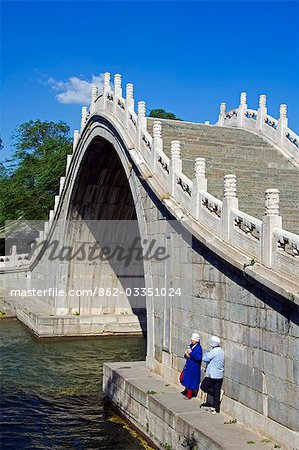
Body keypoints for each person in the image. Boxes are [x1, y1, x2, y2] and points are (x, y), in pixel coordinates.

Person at [200, 335, 224, 414]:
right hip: (219, 375)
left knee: (203, 386)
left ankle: (215, 393)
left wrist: (206, 354)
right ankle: (215, 408)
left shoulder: (214, 351)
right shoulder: (221, 351)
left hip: (212, 375)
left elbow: (205, 359)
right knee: (217, 391)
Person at [180, 333, 202, 399]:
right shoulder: (191, 346)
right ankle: (186, 390)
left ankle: (189, 394)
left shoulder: (198, 348)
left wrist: (190, 354)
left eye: (193, 340)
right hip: (188, 366)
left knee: (190, 381)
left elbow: (198, 358)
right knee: (184, 378)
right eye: (191, 340)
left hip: (194, 367)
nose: (192, 341)